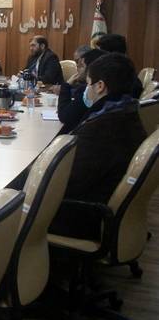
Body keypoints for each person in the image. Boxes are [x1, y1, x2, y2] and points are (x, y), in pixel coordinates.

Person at [49, 53, 147, 240]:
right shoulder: (125, 111)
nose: (86, 89)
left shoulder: (103, 128)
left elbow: (64, 182)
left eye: (88, 83)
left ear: (100, 86)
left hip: (80, 217)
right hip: (97, 201)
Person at [57, 48, 106, 134]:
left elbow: (65, 116)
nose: (77, 68)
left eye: (82, 66)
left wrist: (66, 86)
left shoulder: (88, 92)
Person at [95, 33, 143, 98]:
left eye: (100, 52)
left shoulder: (118, 75)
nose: (99, 56)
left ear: (109, 54)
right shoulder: (127, 68)